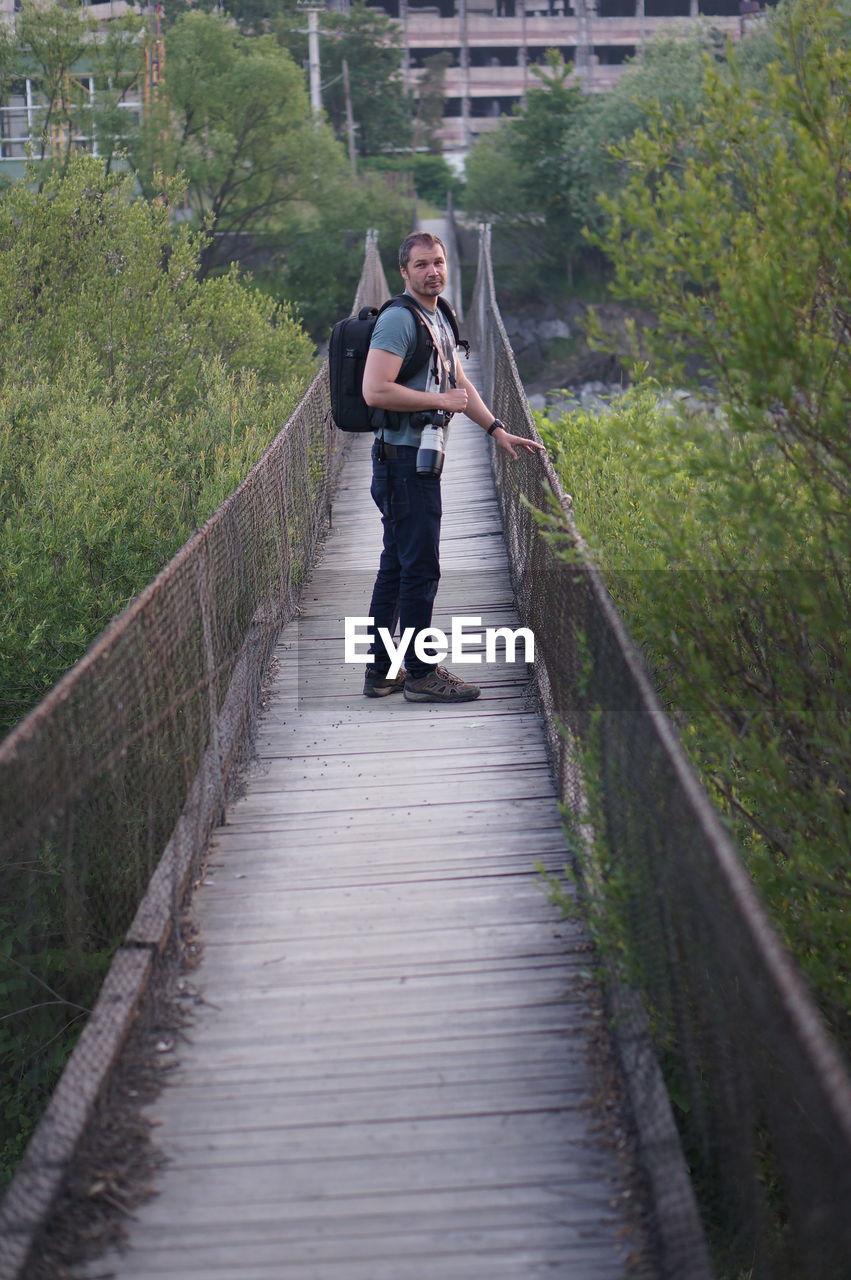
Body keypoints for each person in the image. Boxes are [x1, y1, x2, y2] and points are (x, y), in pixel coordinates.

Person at [361, 231, 545, 704]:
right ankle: (421, 674)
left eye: (439, 262)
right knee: (419, 570)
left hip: (417, 462)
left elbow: (458, 380)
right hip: (402, 464)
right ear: (403, 272)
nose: (433, 271)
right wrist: (439, 401)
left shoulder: (438, 315)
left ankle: (383, 672)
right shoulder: (398, 321)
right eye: (421, 264)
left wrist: (496, 429)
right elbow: (375, 391)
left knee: (397, 568)